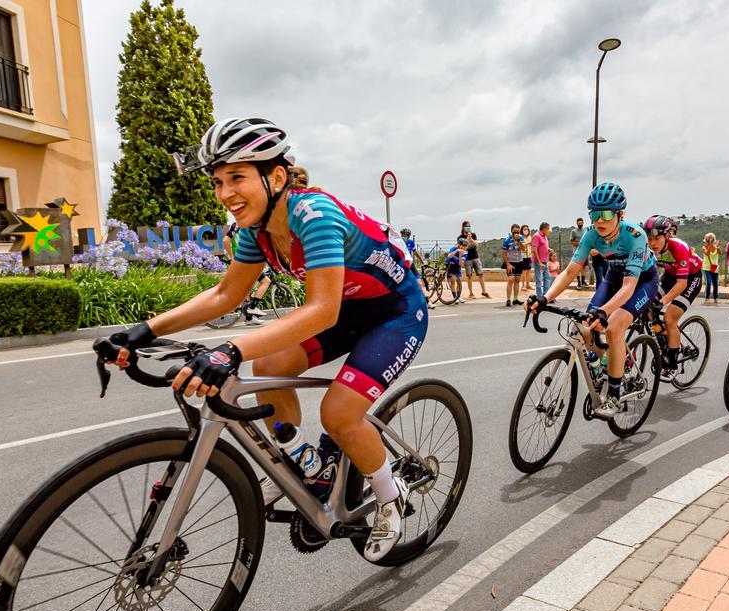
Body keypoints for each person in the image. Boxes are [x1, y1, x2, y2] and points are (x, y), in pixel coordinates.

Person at [93, 117, 424, 562]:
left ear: (276, 176)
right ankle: (311, 466)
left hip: (394, 312)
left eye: (236, 177)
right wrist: (143, 331)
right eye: (217, 181)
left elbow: (320, 310)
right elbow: (226, 294)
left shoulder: (315, 215)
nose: (225, 193)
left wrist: (230, 348)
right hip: (347, 308)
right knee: (268, 367)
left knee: (340, 414)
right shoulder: (256, 231)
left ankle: (390, 495)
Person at [526, 182, 658, 417]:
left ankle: (615, 396)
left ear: (620, 214)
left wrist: (605, 312)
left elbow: (629, 287)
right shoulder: (590, 235)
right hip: (613, 277)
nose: (600, 220)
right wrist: (545, 298)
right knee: (586, 328)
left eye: (606, 214)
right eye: (595, 214)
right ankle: (600, 366)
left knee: (614, 327)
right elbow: (569, 272)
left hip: (641, 282)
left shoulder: (635, 236)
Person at [644, 215, 703, 376]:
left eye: (657, 238)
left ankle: (672, 364)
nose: (652, 243)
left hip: (690, 278)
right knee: (647, 308)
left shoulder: (679, 247)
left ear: (667, 235)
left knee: (670, 318)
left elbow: (682, 284)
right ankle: (667, 340)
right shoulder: (646, 247)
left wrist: (662, 302)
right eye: (649, 239)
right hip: (670, 275)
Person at [214, 221, 271, 326]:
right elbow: (226, 240)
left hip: (245, 261)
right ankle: (252, 308)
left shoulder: (246, 227)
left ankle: (249, 319)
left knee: (247, 288)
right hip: (244, 262)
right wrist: (232, 258)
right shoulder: (239, 225)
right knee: (266, 281)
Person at [460, 221, 489, 299]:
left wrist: (471, 239)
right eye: (466, 226)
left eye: (469, 226)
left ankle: (484, 291)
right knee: (469, 276)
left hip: (475, 257)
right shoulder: (460, 237)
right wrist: (467, 240)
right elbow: (462, 248)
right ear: (463, 227)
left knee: (481, 274)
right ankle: (471, 293)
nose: (468, 227)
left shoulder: (473, 235)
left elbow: (477, 244)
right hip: (467, 259)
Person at [503, 223, 526, 306]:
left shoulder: (521, 238)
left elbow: (523, 249)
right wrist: (507, 264)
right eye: (514, 232)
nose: (516, 233)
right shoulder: (507, 240)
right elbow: (504, 253)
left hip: (519, 261)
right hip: (511, 262)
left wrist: (518, 241)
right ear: (511, 231)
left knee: (517, 280)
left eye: (517, 232)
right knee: (511, 279)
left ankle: (515, 299)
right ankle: (508, 299)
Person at [444, 237, 468, 304]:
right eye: (463, 245)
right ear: (459, 245)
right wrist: (456, 251)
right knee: (453, 281)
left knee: (459, 281)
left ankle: (458, 296)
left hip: (457, 266)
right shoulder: (453, 248)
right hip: (450, 265)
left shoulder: (465, 252)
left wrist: (460, 256)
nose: (464, 247)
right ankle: (455, 297)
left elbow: (461, 264)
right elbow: (449, 256)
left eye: (465, 246)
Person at [531, 222, 551, 298]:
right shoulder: (536, 236)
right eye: (548, 229)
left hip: (545, 261)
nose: (549, 230)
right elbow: (534, 250)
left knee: (547, 278)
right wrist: (539, 262)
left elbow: (543, 246)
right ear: (544, 229)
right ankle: (539, 297)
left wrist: (549, 249)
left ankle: (546, 296)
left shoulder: (544, 236)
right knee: (539, 280)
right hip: (538, 262)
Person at [701, 232, 721, 303]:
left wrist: (717, 246)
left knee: (715, 283)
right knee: (708, 282)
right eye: (709, 238)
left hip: (715, 267)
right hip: (707, 268)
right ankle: (707, 298)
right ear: (706, 239)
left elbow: (720, 253)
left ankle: (716, 298)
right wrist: (710, 245)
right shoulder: (704, 247)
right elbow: (707, 253)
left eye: (712, 237)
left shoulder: (716, 247)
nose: (711, 239)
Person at [569, 217, 587, 288]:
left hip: (585, 251)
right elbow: (571, 241)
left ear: (583, 223)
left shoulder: (585, 230)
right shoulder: (573, 231)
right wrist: (579, 243)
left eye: (581, 223)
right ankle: (579, 282)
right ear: (577, 223)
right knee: (577, 267)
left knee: (583, 267)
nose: (580, 224)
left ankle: (583, 282)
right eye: (578, 223)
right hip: (576, 251)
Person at [519, 224, 534, 292]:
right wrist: (529, 243)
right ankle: (523, 285)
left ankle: (528, 285)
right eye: (524, 229)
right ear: (522, 230)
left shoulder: (530, 237)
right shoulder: (520, 237)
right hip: (523, 256)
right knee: (524, 271)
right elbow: (522, 245)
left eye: (527, 229)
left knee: (528, 270)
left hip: (529, 255)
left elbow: (532, 245)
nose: (526, 230)